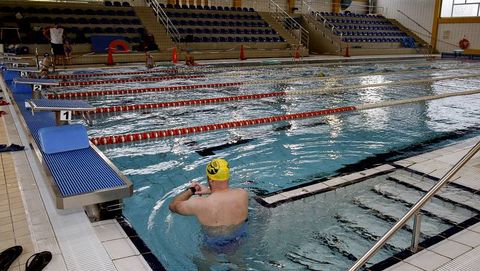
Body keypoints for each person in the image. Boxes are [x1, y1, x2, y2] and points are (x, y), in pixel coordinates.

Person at [169, 158, 249, 252]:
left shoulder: (199, 203)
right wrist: (210, 190)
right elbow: (223, 195)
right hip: (239, 238)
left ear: (210, 180)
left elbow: (173, 206)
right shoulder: (242, 194)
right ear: (227, 177)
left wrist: (191, 190)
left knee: (203, 266)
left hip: (213, 243)